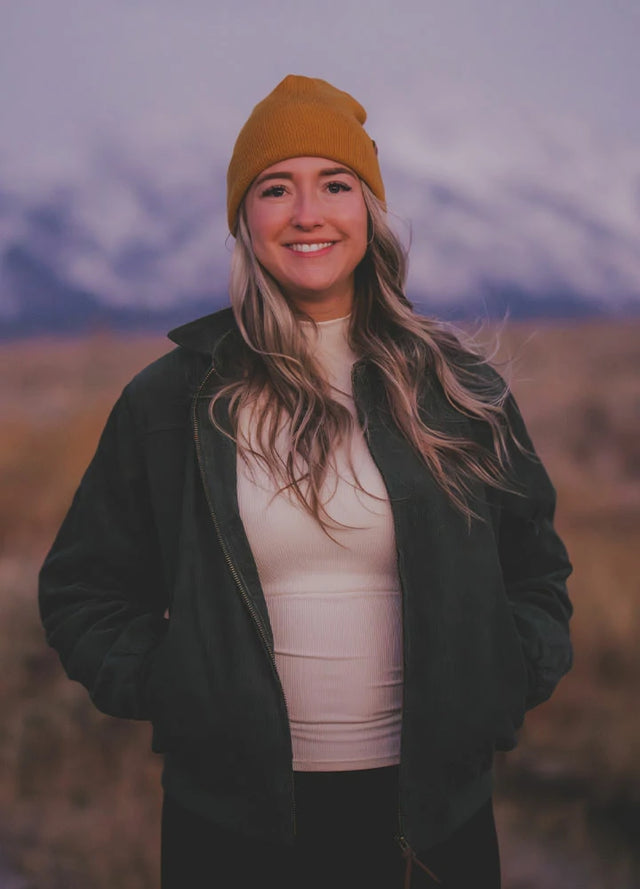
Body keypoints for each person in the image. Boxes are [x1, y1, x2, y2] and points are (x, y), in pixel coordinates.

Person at [39, 75, 573, 889]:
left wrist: (502, 677)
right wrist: (174, 688)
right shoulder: (171, 400)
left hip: (434, 818)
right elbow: (83, 587)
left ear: (370, 210)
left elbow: (536, 572)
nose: (307, 213)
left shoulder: (458, 391)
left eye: (335, 184)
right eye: (275, 188)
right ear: (244, 220)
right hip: (230, 822)